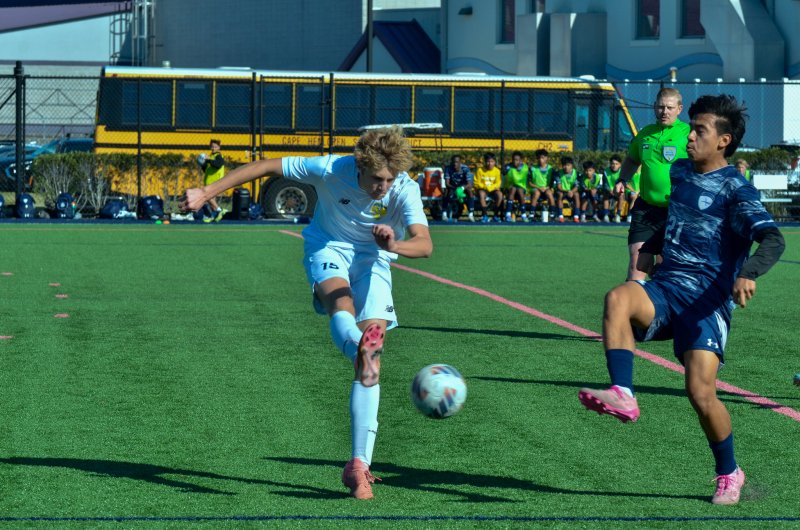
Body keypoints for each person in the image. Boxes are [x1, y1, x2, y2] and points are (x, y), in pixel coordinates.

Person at [181, 126, 433, 500]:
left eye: (389, 179)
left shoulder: (404, 188)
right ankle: (358, 349)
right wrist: (206, 192)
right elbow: (266, 167)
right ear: (359, 166)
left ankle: (358, 466)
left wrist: (395, 243)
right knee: (342, 306)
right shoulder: (331, 167)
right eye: (377, 179)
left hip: (376, 258)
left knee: (371, 359)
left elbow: (425, 245)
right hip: (329, 246)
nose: (383, 186)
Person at [578, 95, 785, 506]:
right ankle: (623, 391)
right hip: (667, 288)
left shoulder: (736, 189)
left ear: (724, 140)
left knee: (700, 394)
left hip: (707, 304)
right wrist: (653, 247)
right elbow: (678, 217)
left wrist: (747, 273)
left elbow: (772, 238)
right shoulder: (681, 172)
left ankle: (729, 472)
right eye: (691, 128)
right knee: (618, 297)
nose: (688, 137)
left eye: (699, 130)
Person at [614, 88, 690, 279]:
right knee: (637, 263)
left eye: (669, 107)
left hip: (676, 211)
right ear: (655, 107)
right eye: (660, 107)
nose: (664, 111)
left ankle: (659, 296)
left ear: (679, 109)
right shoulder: (645, 134)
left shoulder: (689, 134)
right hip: (646, 208)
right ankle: (630, 306)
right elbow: (632, 159)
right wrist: (622, 179)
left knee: (665, 266)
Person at [197, 139, 228, 223]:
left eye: (215, 147)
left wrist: (208, 160)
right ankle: (214, 215)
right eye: (212, 146)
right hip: (209, 182)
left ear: (219, 148)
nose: (213, 148)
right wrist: (202, 164)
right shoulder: (211, 157)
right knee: (210, 200)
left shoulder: (218, 156)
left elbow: (218, 165)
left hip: (216, 182)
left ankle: (219, 210)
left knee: (207, 196)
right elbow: (207, 170)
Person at [442, 155, 474, 222]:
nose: (455, 164)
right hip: (452, 187)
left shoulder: (465, 169)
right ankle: (444, 214)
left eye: (456, 162)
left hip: (463, 187)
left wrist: (462, 188)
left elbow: (469, 184)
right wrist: (455, 188)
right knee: (446, 191)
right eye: (453, 162)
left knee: (470, 192)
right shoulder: (448, 168)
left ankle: (471, 214)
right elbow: (447, 184)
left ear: (460, 162)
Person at [473, 152, 504, 223]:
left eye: (492, 161)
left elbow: (498, 183)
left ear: (495, 162)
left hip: (493, 190)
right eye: (488, 161)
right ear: (485, 162)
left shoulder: (497, 171)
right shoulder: (480, 170)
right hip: (483, 190)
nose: (490, 163)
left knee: (500, 195)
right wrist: (485, 187)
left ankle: (495, 216)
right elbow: (476, 183)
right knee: (481, 194)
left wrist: (490, 188)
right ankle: (485, 215)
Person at [529, 149, 556, 223]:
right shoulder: (532, 168)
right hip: (536, 188)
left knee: (549, 193)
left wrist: (546, 187)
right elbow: (529, 182)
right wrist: (538, 187)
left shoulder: (551, 169)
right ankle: (531, 214)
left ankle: (552, 214)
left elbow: (553, 182)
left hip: (547, 189)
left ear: (547, 158)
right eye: (539, 158)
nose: (541, 160)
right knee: (536, 193)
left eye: (543, 158)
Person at [503, 151, 530, 222]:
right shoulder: (508, 167)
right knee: (513, 189)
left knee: (519, 190)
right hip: (509, 189)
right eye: (513, 160)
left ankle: (523, 215)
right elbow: (502, 175)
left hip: (521, 189)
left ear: (521, 161)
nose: (515, 162)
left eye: (517, 160)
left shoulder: (525, 168)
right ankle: (508, 214)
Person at [555, 157, 581, 223]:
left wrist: (571, 191)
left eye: (568, 165)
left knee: (577, 195)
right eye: (564, 165)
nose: (566, 167)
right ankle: (560, 216)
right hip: (563, 191)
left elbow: (577, 186)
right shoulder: (558, 173)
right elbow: (559, 186)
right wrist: (567, 191)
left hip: (572, 192)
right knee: (559, 194)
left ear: (572, 165)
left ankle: (576, 216)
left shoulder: (576, 173)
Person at [602, 155, 625, 223]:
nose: (614, 165)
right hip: (609, 191)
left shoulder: (623, 172)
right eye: (612, 164)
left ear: (620, 165)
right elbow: (605, 184)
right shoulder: (606, 172)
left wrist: (618, 191)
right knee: (605, 195)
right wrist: (610, 190)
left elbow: (624, 183)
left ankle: (618, 215)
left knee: (621, 195)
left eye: (616, 164)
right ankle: (605, 216)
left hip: (618, 192)